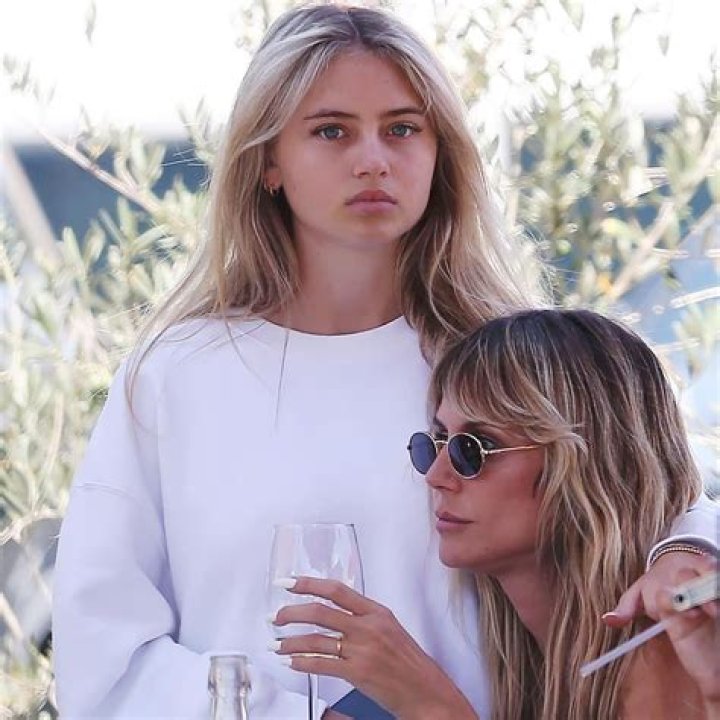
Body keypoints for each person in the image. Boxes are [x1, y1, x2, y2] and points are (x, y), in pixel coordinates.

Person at [51, 5, 718, 719]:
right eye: (331, 131)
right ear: (268, 160)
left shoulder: (497, 359)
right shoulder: (174, 374)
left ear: (439, 153)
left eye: (402, 129)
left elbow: (657, 494)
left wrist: (684, 553)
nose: (373, 159)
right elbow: (101, 643)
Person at [273, 309, 720, 719]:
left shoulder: (660, 650)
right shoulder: (519, 654)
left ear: (588, 463)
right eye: (436, 443)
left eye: (474, 448)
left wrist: (432, 706)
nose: (437, 476)